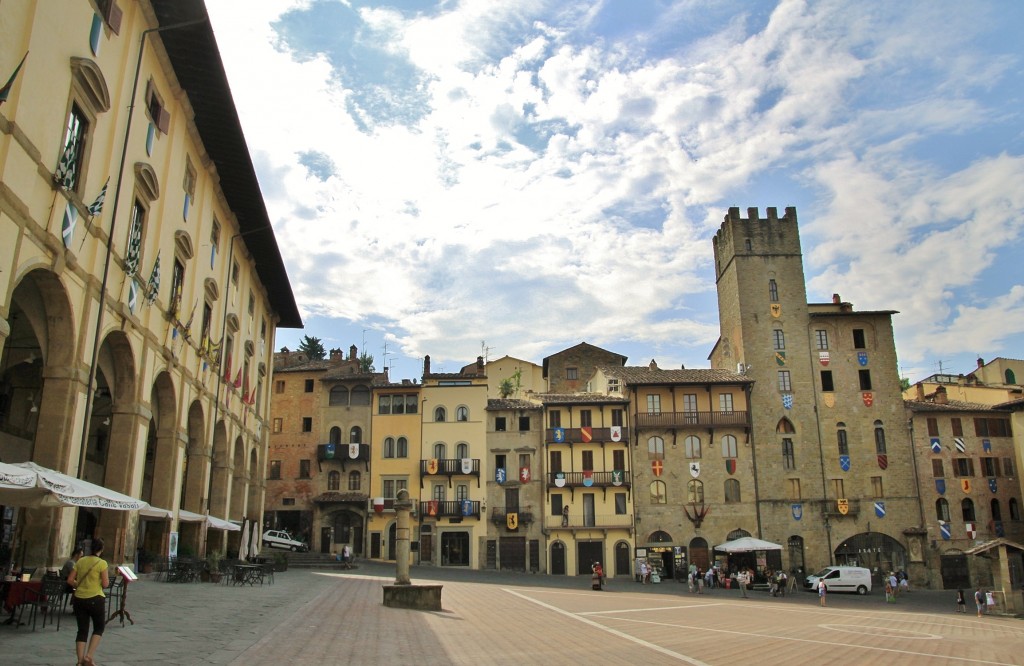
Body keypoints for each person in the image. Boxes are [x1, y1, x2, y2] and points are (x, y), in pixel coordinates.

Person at [67, 537, 109, 666]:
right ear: (101, 549)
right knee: (99, 628)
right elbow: (106, 584)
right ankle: (89, 656)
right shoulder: (102, 563)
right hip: (96, 598)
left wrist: (78, 584)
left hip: (79, 599)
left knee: (82, 630)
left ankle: (79, 661)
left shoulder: (80, 561)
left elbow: (70, 580)